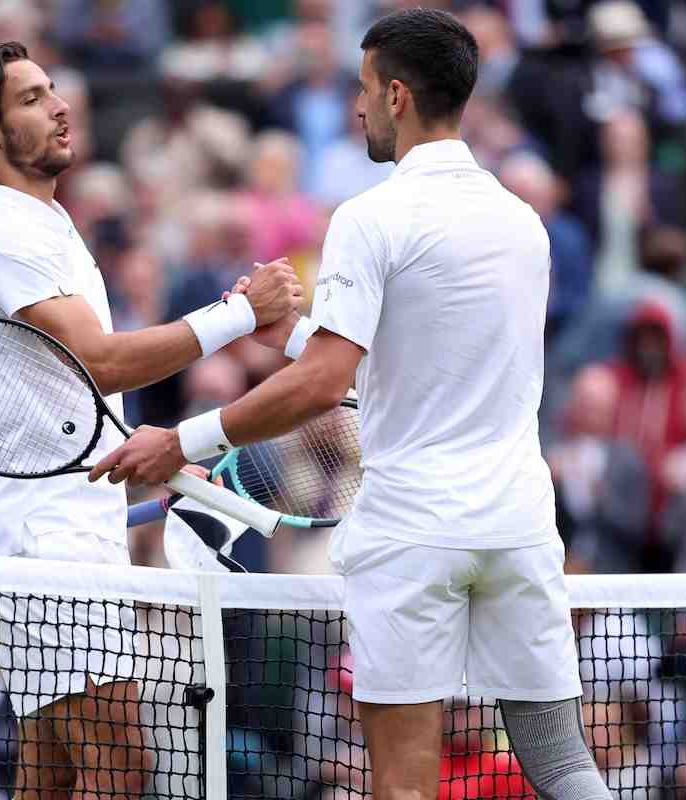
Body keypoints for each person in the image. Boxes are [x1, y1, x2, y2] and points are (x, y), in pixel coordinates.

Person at [90, 10, 610, 800]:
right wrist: (295, 337)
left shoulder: (371, 218)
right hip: (518, 527)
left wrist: (181, 442)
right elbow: (419, 375)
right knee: (564, 765)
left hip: (413, 535)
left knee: (403, 787)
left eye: (364, 88)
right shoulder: (523, 224)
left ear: (397, 96)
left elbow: (325, 386)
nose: (356, 106)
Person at [0, 41, 302, 800]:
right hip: (46, 540)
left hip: (53, 529)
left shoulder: (47, 224)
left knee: (50, 778)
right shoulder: (4, 235)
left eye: (52, 90)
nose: (60, 106)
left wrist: (158, 455)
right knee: (119, 770)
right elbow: (97, 362)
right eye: (32, 99)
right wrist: (239, 315)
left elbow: (64, 400)